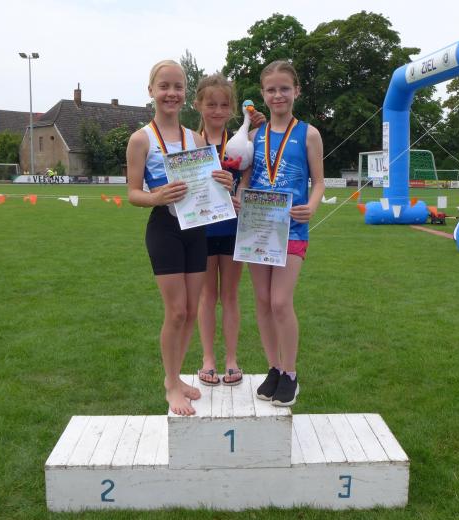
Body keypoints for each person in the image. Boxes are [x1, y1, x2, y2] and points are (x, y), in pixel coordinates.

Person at [126, 60, 235, 416]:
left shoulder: (196, 139)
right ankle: (171, 384)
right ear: (151, 91)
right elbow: (133, 193)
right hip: (165, 228)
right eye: (164, 86)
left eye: (177, 87)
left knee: (189, 312)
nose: (171, 93)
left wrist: (225, 184)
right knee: (175, 312)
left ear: (185, 93)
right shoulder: (141, 139)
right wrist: (157, 197)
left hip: (196, 229)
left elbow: (209, 187)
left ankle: (175, 377)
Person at [238, 60, 325, 406]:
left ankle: (290, 373)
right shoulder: (254, 137)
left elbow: (319, 182)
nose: (278, 95)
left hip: (293, 227)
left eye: (284, 89)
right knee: (262, 301)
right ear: (263, 94)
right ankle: (273, 367)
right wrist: (239, 198)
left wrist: (313, 206)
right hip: (258, 226)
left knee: (279, 301)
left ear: (296, 91)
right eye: (271, 90)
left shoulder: (309, 134)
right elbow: (246, 180)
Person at [192, 74, 246, 387]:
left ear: (232, 108)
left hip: (233, 229)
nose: (217, 110)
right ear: (198, 105)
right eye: (211, 104)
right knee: (207, 296)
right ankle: (208, 359)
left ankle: (231, 359)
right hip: (201, 230)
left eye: (224, 105)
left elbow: (248, 181)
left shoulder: (241, 144)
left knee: (230, 295)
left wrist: (239, 196)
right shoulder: (189, 143)